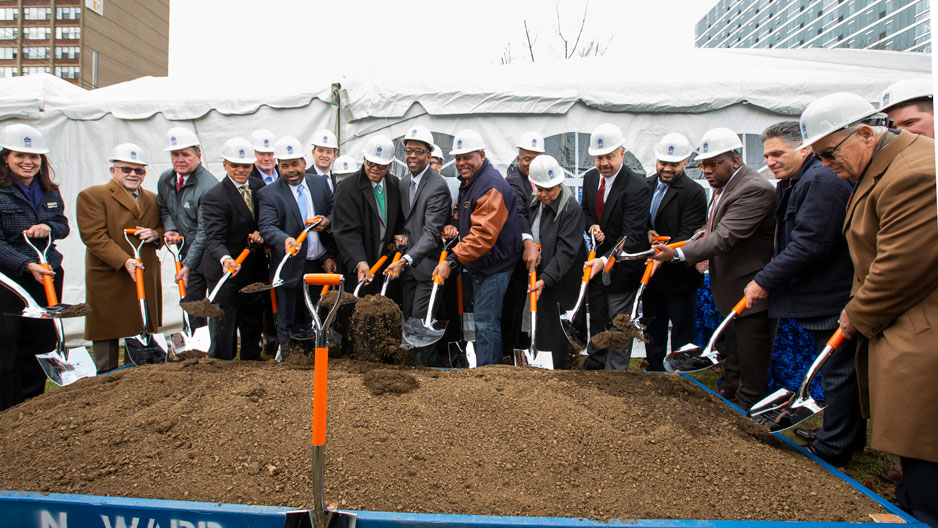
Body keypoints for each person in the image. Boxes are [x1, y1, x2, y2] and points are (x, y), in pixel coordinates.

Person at [800, 92, 938, 526]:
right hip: (901, 321)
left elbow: (901, 266)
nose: (824, 165)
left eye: (828, 153)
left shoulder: (917, 173)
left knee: (926, 449)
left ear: (863, 133)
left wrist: (857, 313)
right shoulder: (883, 165)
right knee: (915, 452)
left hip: (920, 329)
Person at [743, 121, 863, 466]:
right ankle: (841, 434)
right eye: (767, 155)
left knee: (838, 372)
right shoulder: (796, 181)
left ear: (804, 148)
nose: (772, 161)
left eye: (778, 153)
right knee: (834, 369)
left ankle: (835, 446)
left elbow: (811, 243)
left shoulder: (820, 181)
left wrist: (764, 280)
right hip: (820, 293)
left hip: (832, 293)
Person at [650, 127, 776, 409]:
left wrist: (678, 253)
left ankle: (746, 409)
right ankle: (729, 396)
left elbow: (725, 236)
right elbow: (713, 230)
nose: (707, 170)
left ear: (735, 158)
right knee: (733, 351)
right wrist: (695, 236)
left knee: (750, 356)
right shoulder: (726, 188)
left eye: (714, 163)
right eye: (704, 164)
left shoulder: (753, 189)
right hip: (731, 290)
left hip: (750, 291)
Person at [432, 129, 522, 367]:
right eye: (458, 158)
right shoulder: (472, 183)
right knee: (485, 321)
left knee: (486, 322)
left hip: (494, 265)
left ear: (481, 154)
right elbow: (465, 215)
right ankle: (487, 368)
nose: (462, 163)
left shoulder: (490, 186)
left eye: (467, 157)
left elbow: (482, 235)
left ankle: (488, 375)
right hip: (483, 262)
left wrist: (451, 261)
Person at [76, 143, 163, 373]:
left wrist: (156, 234)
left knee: (139, 322)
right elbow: (93, 235)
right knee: (107, 328)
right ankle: (105, 377)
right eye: (126, 169)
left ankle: (135, 374)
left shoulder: (153, 199)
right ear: (113, 171)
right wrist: (124, 260)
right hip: (110, 272)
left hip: (143, 271)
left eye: (139, 170)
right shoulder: (93, 196)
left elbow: (163, 229)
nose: (133, 174)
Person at [0, 124, 68, 409]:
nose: (29, 162)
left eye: (35, 156)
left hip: (47, 274)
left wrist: (47, 226)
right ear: (5, 157)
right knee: (8, 345)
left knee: (40, 342)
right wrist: (26, 265)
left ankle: (33, 405)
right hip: (10, 280)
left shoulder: (48, 191)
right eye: (20, 155)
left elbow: (62, 227)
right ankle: (7, 407)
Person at [580, 123, 651, 370]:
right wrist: (592, 228)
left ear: (622, 153)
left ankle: (616, 371)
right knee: (597, 316)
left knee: (618, 322)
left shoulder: (637, 188)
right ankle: (597, 361)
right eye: (599, 157)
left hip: (622, 268)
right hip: (597, 265)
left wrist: (604, 260)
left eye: (610, 156)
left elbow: (632, 234)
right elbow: (587, 212)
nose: (604, 163)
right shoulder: (590, 179)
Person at [384, 125, 452, 366]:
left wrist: (406, 259)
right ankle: (417, 371)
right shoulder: (403, 184)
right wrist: (401, 236)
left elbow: (432, 233)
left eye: (419, 151)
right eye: (408, 150)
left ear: (429, 153)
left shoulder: (438, 186)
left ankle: (427, 374)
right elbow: (406, 222)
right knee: (411, 323)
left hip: (428, 269)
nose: (412, 155)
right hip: (409, 271)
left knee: (422, 324)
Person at [257, 136, 336, 344]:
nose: (291, 170)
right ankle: (288, 358)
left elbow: (334, 210)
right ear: (278, 167)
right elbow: (267, 226)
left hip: (317, 265)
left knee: (314, 316)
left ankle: (314, 354)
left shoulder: (320, 184)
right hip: (289, 267)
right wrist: (284, 240)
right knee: (288, 318)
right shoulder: (268, 194)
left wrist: (327, 222)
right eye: (284, 166)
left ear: (303, 162)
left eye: (294, 164)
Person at [643, 132, 707, 372]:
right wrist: (647, 232)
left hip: (680, 276)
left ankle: (679, 376)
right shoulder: (646, 185)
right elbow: (638, 220)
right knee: (653, 327)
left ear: (685, 163)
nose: (667, 168)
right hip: (652, 275)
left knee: (681, 330)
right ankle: (655, 369)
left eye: (673, 164)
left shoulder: (694, 192)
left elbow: (690, 233)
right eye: (663, 163)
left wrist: (665, 252)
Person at [198, 137, 267, 361]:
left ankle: (251, 362)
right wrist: (226, 259)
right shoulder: (214, 197)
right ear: (225, 165)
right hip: (226, 271)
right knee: (225, 324)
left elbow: (265, 220)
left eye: (245, 165)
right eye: (235, 165)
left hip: (253, 268)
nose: (240, 170)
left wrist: (262, 235)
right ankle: (222, 365)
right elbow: (214, 238)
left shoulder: (258, 187)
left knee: (252, 320)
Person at [525, 155, 585, 369]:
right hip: (540, 274)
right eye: (539, 188)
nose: (543, 194)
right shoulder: (533, 204)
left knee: (557, 327)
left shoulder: (571, 210)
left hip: (561, 279)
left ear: (559, 184)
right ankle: (542, 366)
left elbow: (566, 251)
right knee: (540, 324)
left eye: (549, 189)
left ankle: (561, 369)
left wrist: (546, 278)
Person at [156, 126, 217, 329]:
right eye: (175, 154)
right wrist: (170, 228)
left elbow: (204, 231)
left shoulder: (208, 186)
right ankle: (195, 344)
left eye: (185, 154)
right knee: (191, 301)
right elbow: (165, 207)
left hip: (209, 253)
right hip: (187, 250)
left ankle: (216, 348)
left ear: (198, 156)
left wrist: (188, 265)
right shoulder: (166, 179)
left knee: (212, 301)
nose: (179, 159)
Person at [332, 135, 402, 297]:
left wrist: (400, 235)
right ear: (364, 159)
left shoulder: (394, 185)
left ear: (390, 165)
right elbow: (346, 231)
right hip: (358, 269)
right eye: (370, 163)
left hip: (385, 267)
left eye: (381, 165)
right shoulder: (348, 188)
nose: (375, 168)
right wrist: (359, 261)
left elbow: (400, 219)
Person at [502, 130, 545, 363]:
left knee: (535, 303)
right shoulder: (512, 182)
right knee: (516, 304)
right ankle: (512, 350)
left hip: (542, 255)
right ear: (518, 159)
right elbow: (519, 212)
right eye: (526, 158)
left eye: (535, 158)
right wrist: (528, 242)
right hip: (518, 255)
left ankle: (533, 344)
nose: (530, 163)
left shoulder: (546, 179)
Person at [307, 129, 339, 194]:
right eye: (320, 151)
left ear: (334, 156)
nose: (324, 155)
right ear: (313, 152)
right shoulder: (304, 177)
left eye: (329, 152)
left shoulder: (337, 179)